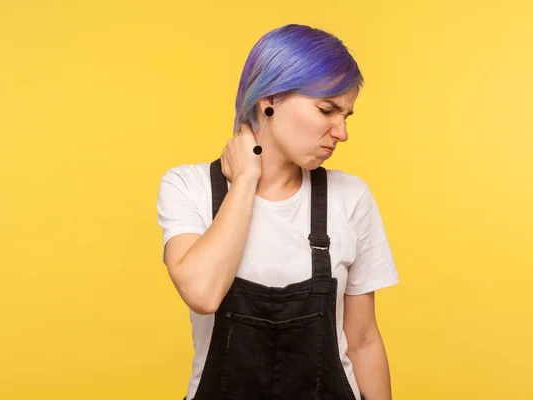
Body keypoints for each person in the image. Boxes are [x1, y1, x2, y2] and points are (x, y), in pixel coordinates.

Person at [157, 23, 399, 400]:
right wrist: (244, 181)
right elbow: (202, 293)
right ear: (268, 99)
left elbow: (364, 341)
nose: (342, 133)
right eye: (326, 110)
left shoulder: (350, 197)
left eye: (346, 116)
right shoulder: (188, 187)